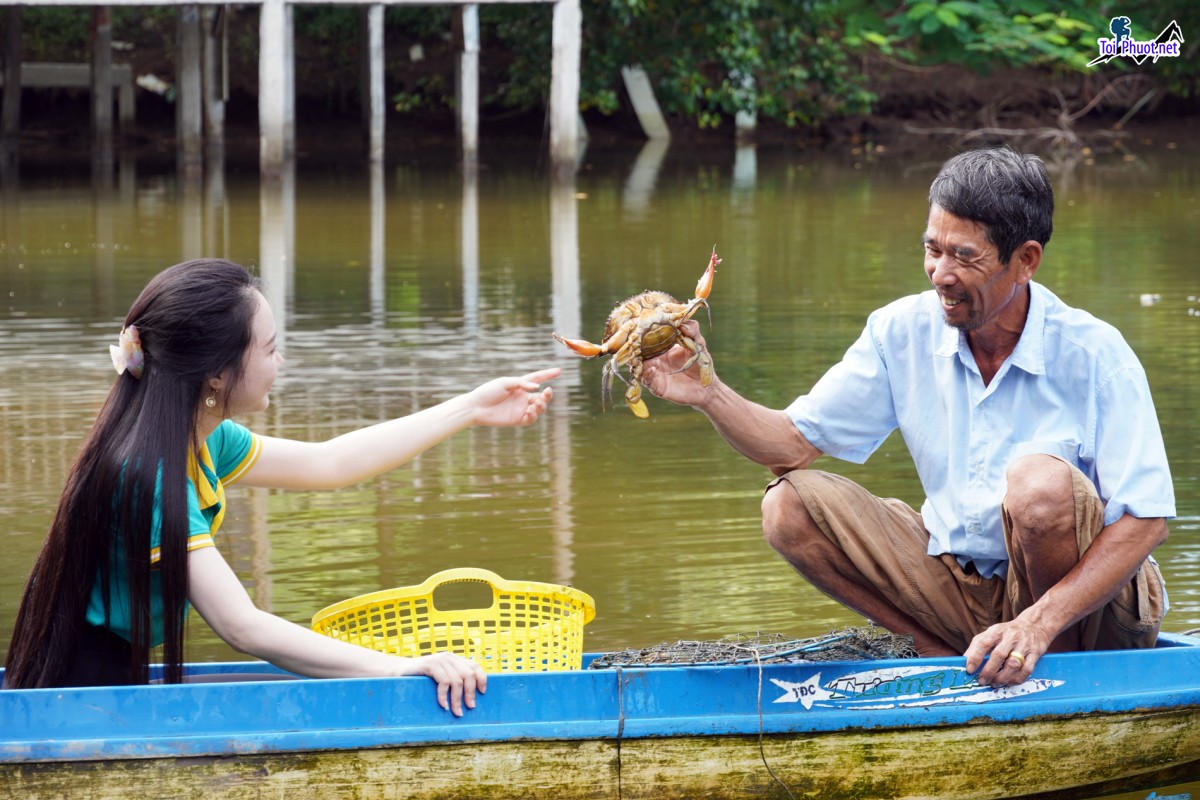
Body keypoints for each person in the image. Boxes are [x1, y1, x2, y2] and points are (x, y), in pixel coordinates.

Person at [642, 147, 1174, 687]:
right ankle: (938, 654)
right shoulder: (900, 331)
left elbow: (1146, 520)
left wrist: (1037, 625)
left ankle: (1052, 676)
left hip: (1090, 617)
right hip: (960, 587)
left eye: (965, 257)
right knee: (788, 506)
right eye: (932, 249)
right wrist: (707, 391)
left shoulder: (1094, 352)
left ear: (1025, 260)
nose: (940, 274)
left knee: (1039, 485)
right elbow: (791, 445)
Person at [3, 258, 559, 714]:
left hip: (110, 676)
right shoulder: (146, 476)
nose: (281, 362)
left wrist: (470, 407)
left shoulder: (203, 439)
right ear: (216, 375)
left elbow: (330, 462)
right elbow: (242, 626)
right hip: (79, 692)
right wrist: (401, 667)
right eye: (269, 350)